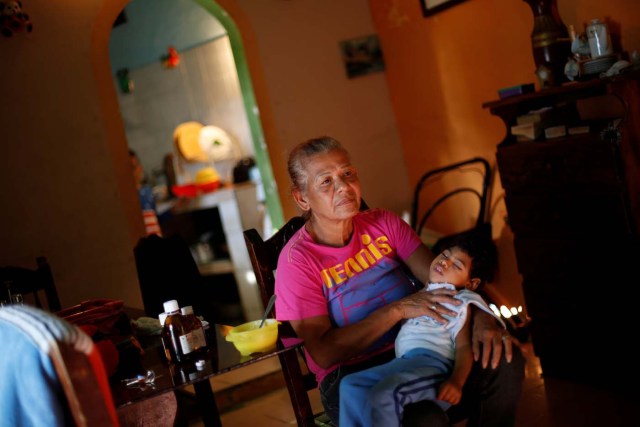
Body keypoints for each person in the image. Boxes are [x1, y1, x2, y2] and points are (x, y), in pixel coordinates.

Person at [274, 136, 524, 426]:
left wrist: (480, 317)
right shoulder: (297, 262)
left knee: (505, 359)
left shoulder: (384, 223)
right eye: (326, 181)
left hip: (422, 351)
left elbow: (443, 279)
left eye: (347, 173)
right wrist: (399, 309)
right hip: (351, 375)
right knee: (422, 417)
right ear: (302, 198)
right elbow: (325, 352)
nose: (343, 186)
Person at [339, 234, 503, 426]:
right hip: (404, 363)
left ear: (471, 283)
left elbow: (464, 347)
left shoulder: (461, 301)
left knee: (384, 394)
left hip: (433, 367)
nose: (445, 262)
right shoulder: (419, 295)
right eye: (444, 254)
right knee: (350, 386)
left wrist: (457, 381)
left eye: (457, 265)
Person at [129, 149, 162, 236]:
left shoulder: (147, 191)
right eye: (132, 168)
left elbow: (157, 217)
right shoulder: (128, 199)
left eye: (136, 166)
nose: (137, 170)